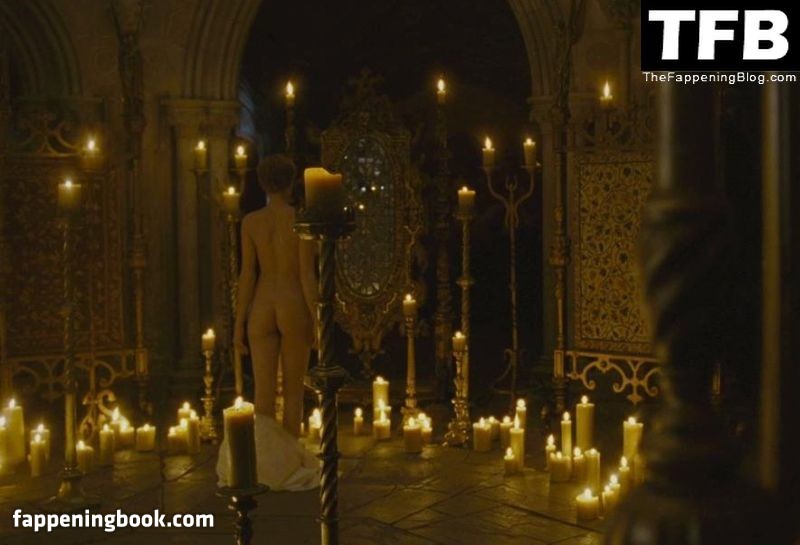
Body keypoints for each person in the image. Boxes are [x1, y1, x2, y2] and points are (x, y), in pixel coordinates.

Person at [217, 154, 319, 491]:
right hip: (291, 303)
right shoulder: (300, 220)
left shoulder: (250, 222)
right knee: (293, 392)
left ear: (262, 183)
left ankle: (261, 467)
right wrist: (317, 319)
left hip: (261, 305)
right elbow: (306, 276)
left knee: (262, 396)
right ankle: (287, 468)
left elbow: (247, 275)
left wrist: (239, 324)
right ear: (291, 183)